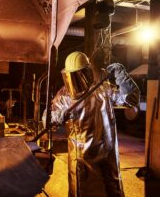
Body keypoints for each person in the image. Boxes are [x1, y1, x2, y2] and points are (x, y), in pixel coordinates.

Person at [44, 51, 140, 197]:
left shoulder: (103, 88)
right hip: (81, 157)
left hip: (107, 153)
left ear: (87, 71)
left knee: (112, 190)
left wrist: (121, 75)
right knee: (80, 191)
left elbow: (131, 99)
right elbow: (47, 119)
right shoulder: (65, 95)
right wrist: (55, 117)